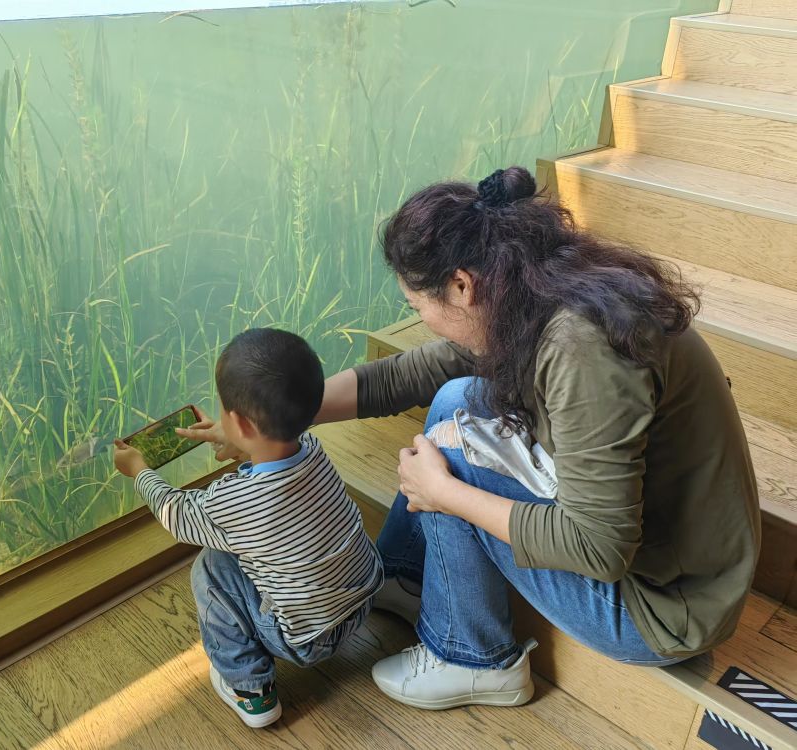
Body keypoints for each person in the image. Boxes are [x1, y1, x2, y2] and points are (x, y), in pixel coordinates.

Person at [179, 167, 760, 711]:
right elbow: (409, 375)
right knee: (458, 398)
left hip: (661, 604)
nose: (420, 319)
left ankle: (475, 657)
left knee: (451, 452)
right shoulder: (533, 294)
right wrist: (273, 421)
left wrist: (445, 494)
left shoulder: (584, 351)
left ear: (461, 285)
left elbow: (598, 549)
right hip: (647, 539)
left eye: (417, 306)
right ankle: (408, 575)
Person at [114, 328, 383, 728]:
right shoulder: (314, 451)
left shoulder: (234, 501)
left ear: (239, 422)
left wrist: (138, 470)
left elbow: (177, 513)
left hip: (306, 639)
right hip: (362, 601)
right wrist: (245, 445)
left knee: (211, 567)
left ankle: (251, 689)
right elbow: (277, 476)